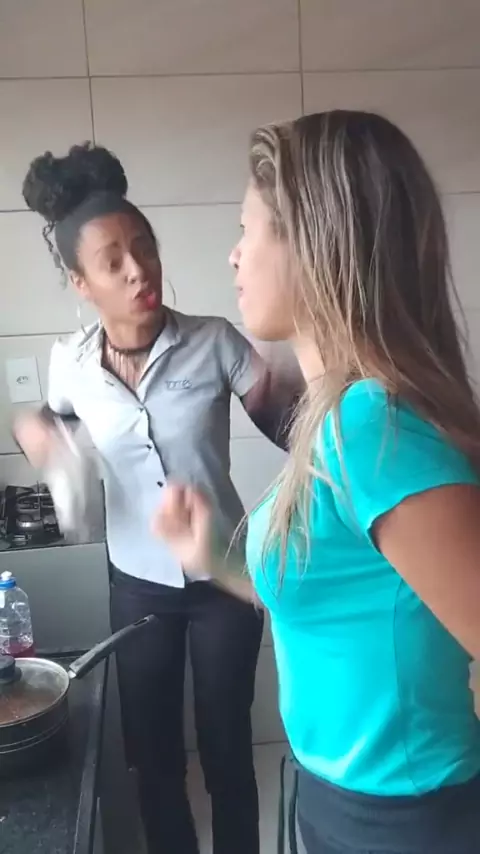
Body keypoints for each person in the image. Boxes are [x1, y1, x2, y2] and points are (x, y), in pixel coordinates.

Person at [155, 110, 480, 854]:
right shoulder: (337, 419)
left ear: (313, 244)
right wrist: (215, 559)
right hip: (343, 806)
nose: (234, 254)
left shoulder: (370, 429)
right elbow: (333, 594)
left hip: (408, 823)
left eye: (248, 229)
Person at [14, 143, 301, 854]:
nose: (139, 269)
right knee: (153, 757)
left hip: (224, 579)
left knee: (227, 747)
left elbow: (296, 431)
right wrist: (37, 433)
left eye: (144, 247)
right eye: (113, 261)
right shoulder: (71, 366)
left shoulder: (214, 342)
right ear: (82, 282)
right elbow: (52, 422)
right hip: (137, 586)